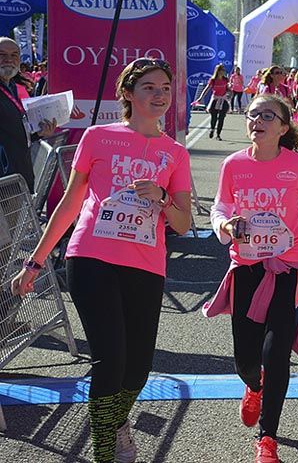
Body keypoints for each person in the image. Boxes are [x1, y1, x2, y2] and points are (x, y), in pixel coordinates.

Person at [11, 58, 192, 463]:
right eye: (149, 87)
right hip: (92, 257)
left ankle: (115, 420)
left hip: (146, 265)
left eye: (165, 88)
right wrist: (36, 262)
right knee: (111, 360)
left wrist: (161, 200)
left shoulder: (174, 153)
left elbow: (182, 223)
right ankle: (106, 450)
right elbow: (70, 203)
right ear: (128, 94)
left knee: (139, 367)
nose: (159, 95)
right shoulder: (98, 137)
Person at [205, 94, 298, 463]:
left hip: (291, 265)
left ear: (283, 127)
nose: (257, 120)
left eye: (267, 116)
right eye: (253, 114)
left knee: (276, 354)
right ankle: (253, 385)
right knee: (246, 355)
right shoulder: (233, 165)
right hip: (247, 264)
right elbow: (221, 206)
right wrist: (224, 225)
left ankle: (267, 439)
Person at [0, 38, 57, 191]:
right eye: (2, 54)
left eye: (14, 55)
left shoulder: (12, 86)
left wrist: (38, 134)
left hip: (18, 175)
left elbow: (12, 131)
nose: (8, 60)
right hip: (5, 179)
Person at [197, 64, 231, 141]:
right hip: (215, 100)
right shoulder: (213, 80)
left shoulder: (226, 80)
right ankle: (212, 129)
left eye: (223, 70)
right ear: (218, 71)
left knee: (221, 118)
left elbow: (228, 89)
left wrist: (230, 93)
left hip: (223, 100)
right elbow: (206, 89)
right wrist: (200, 97)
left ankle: (218, 134)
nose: (223, 72)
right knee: (214, 117)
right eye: (222, 70)